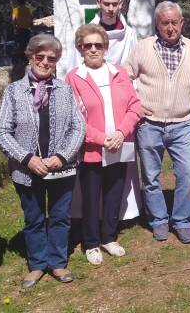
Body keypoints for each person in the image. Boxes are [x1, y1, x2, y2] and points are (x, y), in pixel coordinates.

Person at [0, 34, 85, 288]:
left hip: (62, 169)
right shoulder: (13, 91)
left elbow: (78, 128)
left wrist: (61, 156)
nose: (45, 62)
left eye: (51, 58)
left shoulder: (65, 90)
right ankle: (37, 264)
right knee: (33, 218)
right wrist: (27, 159)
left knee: (60, 217)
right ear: (30, 56)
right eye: (40, 56)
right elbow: (2, 132)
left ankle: (57, 262)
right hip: (27, 170)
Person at [124, 1, 190, 243]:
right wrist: (136, 103)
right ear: (157, 24)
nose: (170, 27)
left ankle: (182, 220)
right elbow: (124, 77)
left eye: (174, 22)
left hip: (182, 123)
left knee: (187, 174)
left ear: (181, 23)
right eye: (164, 22)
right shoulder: (143, 48)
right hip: (150, 124)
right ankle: (158, 220)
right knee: (151, 177)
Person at [67, 25, 141, 263]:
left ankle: (109, 237)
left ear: (106, 48)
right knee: (90, 196)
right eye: (87, 45)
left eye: (98, 45)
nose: (93, 49)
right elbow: (74, 117)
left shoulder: (118, 73)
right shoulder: (74, 77)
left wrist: (121, 132)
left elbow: (135, 106)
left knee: (114, 192)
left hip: (120, 145)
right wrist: (101, 139)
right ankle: (91, 243)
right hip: (92, 149)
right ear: (80, 49)